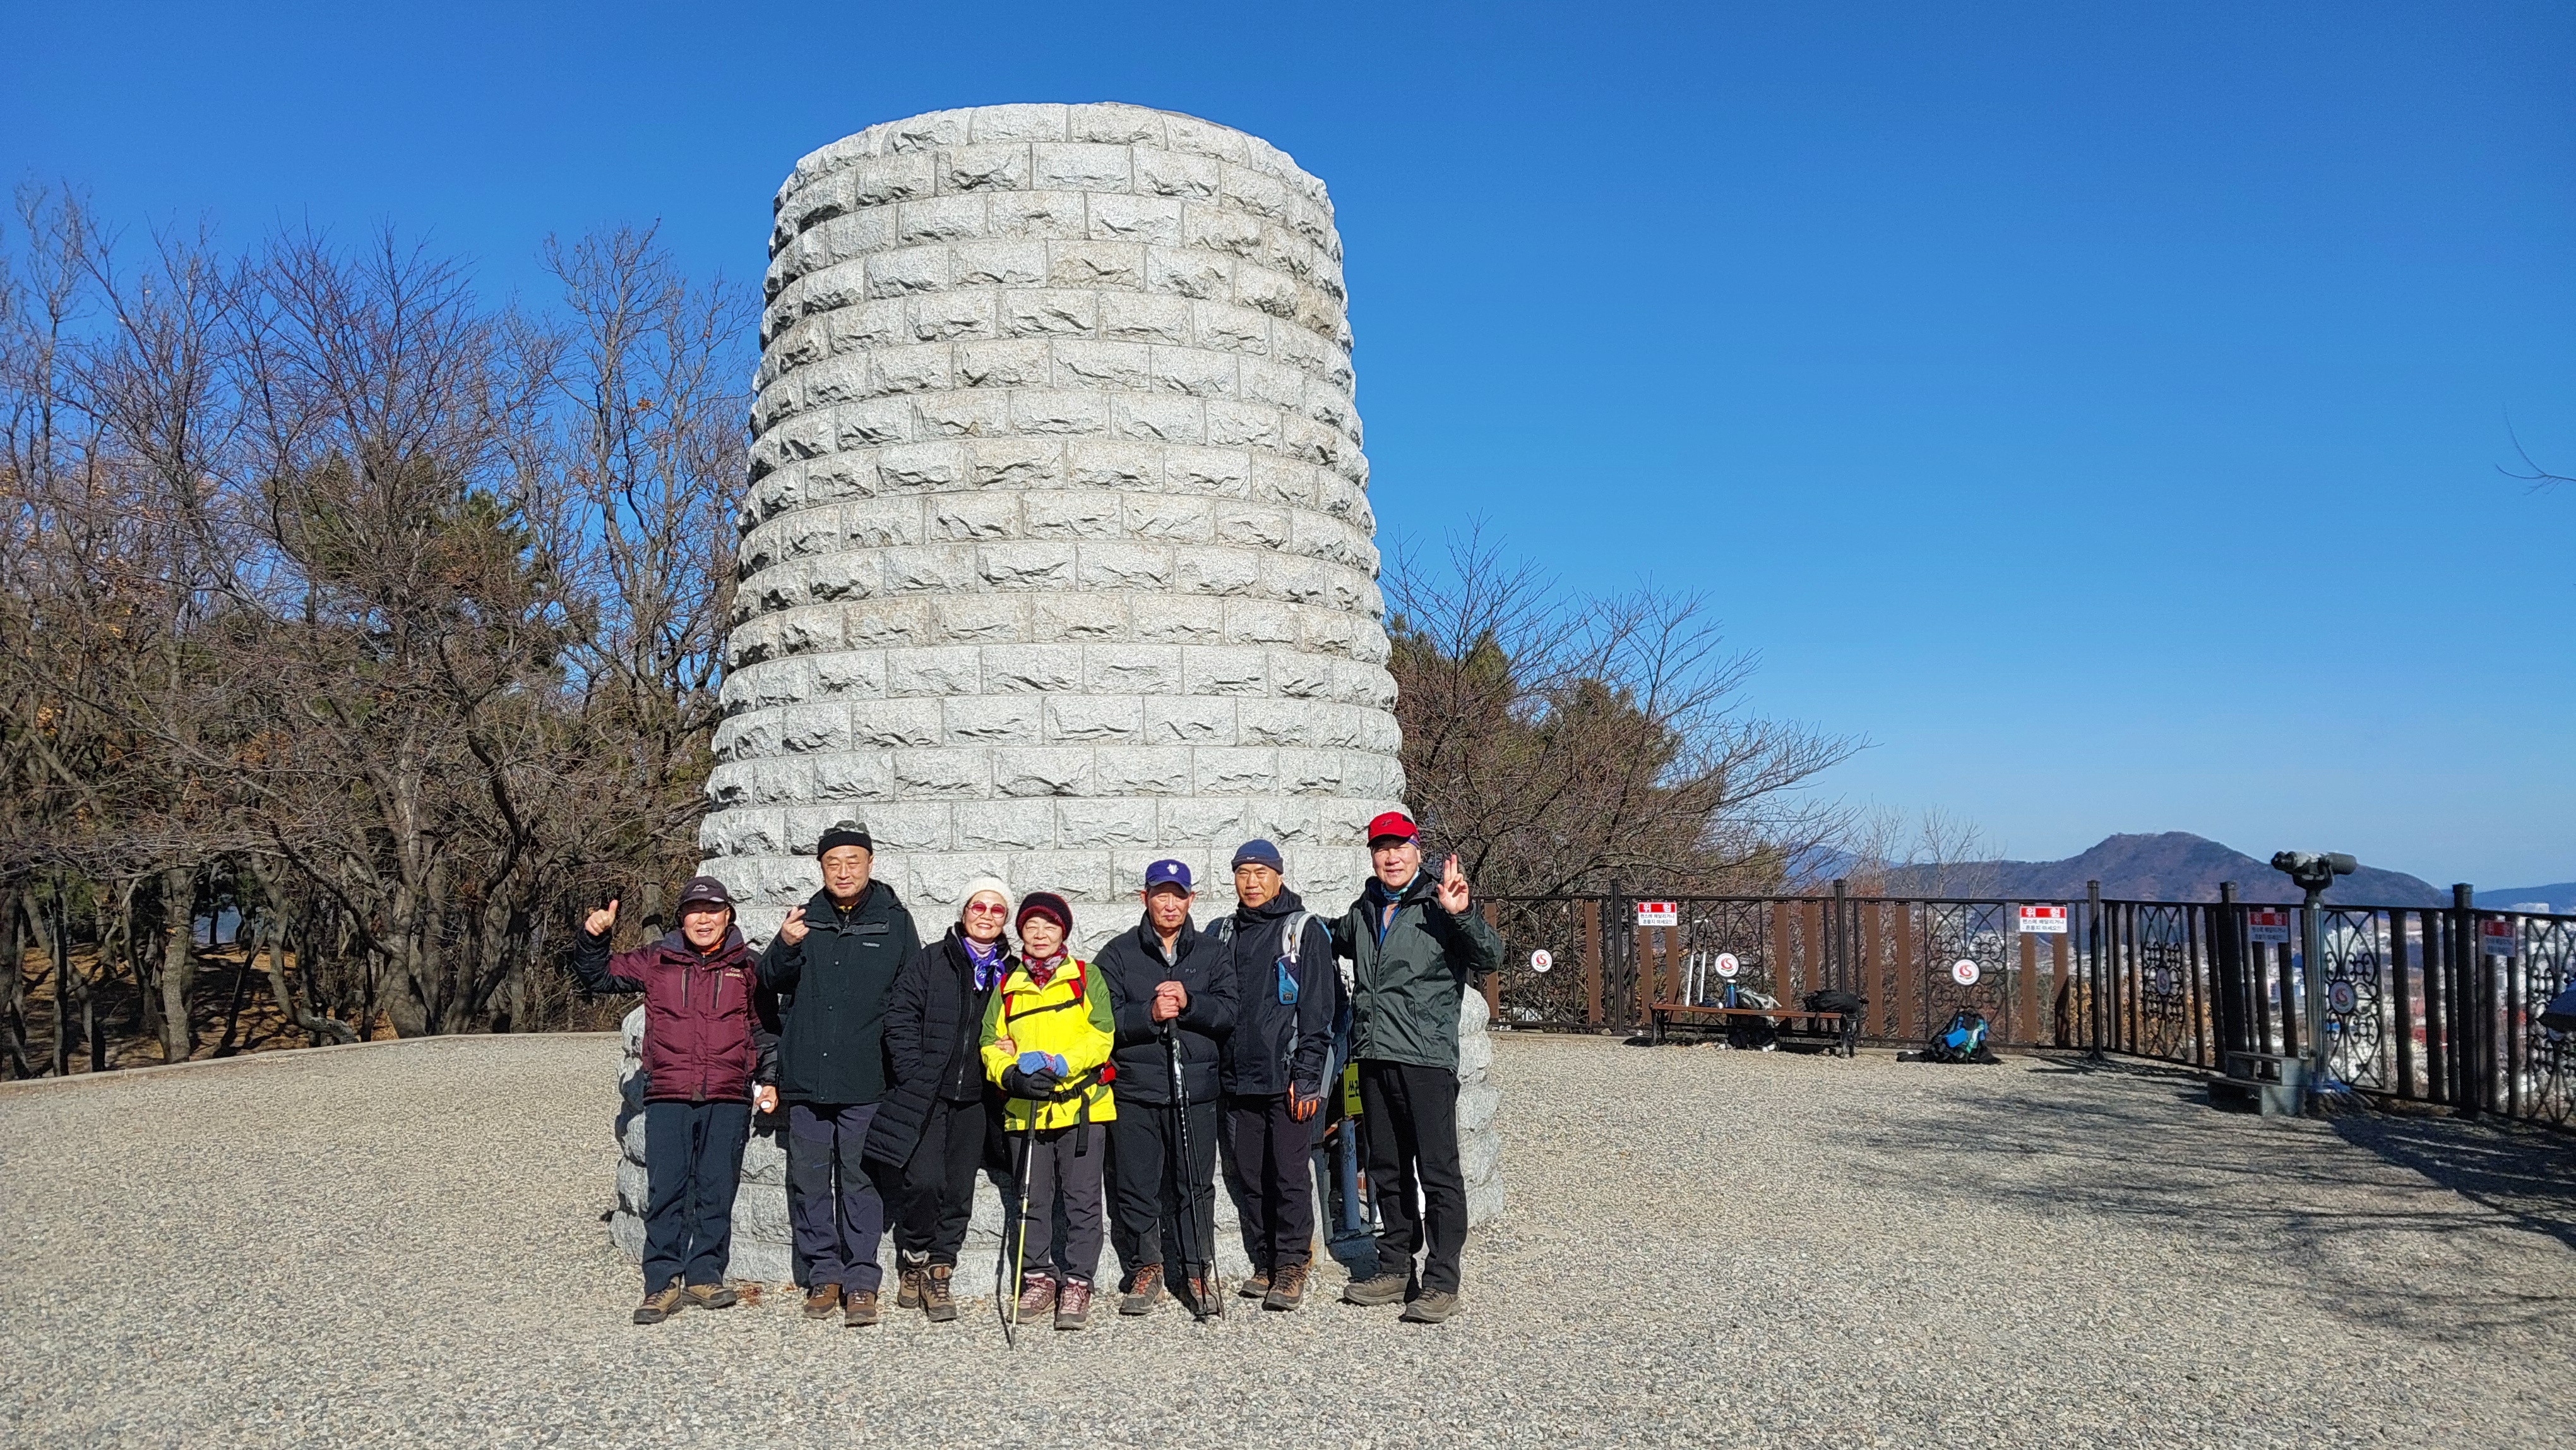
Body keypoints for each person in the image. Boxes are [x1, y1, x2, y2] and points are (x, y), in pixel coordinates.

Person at [571, 875, 771, 1326]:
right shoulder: (656, 959)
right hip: (668, 1093)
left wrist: (769, 1079)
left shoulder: (748, 965)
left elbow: (763, 1028)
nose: (704, 919)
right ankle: (661, 1281)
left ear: (728, 916)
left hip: (727, 1094)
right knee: (667, 1190)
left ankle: (705, 1275)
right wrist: (593, 937)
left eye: (713, 910)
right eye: (695, 910)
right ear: (682, 918)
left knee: (716, 1189)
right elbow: (597, 976)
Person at [1331, 811, 1500, 1324]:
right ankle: (1395, 1267)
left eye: (1400, 847)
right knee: (1386, 1167)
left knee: (1438, 1170)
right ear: (1372, 856)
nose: (1392, 857)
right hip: (1374, 1056)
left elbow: (1491, 956)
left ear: (1417, 851)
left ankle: (1442, 1280)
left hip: (1425, 1060)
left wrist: (1463, 915)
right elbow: (1330, 939)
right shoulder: (1364, 910)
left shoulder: (1439, 904)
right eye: (1382, 848)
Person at [756, 822, 922, 1327]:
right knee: (809, 1182)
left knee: (861, 1181)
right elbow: (768, 984)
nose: (844, 871)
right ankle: (823, 1274)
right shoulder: (803, 920)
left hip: (867, 1078)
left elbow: (910, 996)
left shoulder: (895, 922)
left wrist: (904, 1071)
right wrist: (784, 945)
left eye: (853, 861)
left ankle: (862, 1280)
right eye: (834, 863)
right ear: (821, 868)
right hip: (807, 1076)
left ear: (870, 863)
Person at [867, 876, 1015, 1323]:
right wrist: (914, 1070)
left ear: (1006, 919)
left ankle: (940, 1268)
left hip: (979, 1098)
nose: (986, 916)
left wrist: (1015, 1050)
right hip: (929, 1093)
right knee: (924, 1182)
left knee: (958, 1189)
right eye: (978, 907)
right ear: (963, 911)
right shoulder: (932, 960)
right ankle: (914, 1256)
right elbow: (901, 1016)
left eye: (996, 909)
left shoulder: (1012, 971)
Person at [1096, 860, 1237, 1317]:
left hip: (1195, 1091)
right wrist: (1149, 1015)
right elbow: (1101, 1021)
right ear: (1145, 898)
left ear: (1191, 899)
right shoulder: (1118, 954)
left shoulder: (1213, 952)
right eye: (1161, 895)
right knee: (1136, 1185)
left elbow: (1229, 1013)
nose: (1170, 904)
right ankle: (1147, 1267)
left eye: (1179, 895)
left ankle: (1197, 1269)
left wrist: (1190, 1003)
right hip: (1136, 1090)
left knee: (1194, 1184)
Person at [980, 891, 1116, 1331]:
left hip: (1082, 1109)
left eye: (1050, 927)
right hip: (1026, 1109)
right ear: (1020, 932)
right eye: (1031, 927)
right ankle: (1038, 1277)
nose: (1040, 935)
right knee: (1030, 1201)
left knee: (1082, 1201)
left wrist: (1060, 1065)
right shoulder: (1007, 985)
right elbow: (989, 1043)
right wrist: (1011, 1075)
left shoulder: (1086, 977)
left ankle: (1078, 1282)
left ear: (1064, 932)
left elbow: (1101, 1037)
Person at [1213, 839, 1339, 1311]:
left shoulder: (1303, 931)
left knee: (1289, 1174)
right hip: (1238, 1077)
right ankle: (1265, 1259)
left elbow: (1318, 1011)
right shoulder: (1223, 932)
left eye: (1261, 873)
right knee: (1250, 1174)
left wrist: (1307, 1076)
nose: (1251, 882)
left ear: (1279, 877)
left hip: (1287, 1077)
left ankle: (1291, 1264)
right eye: (1243, 873)